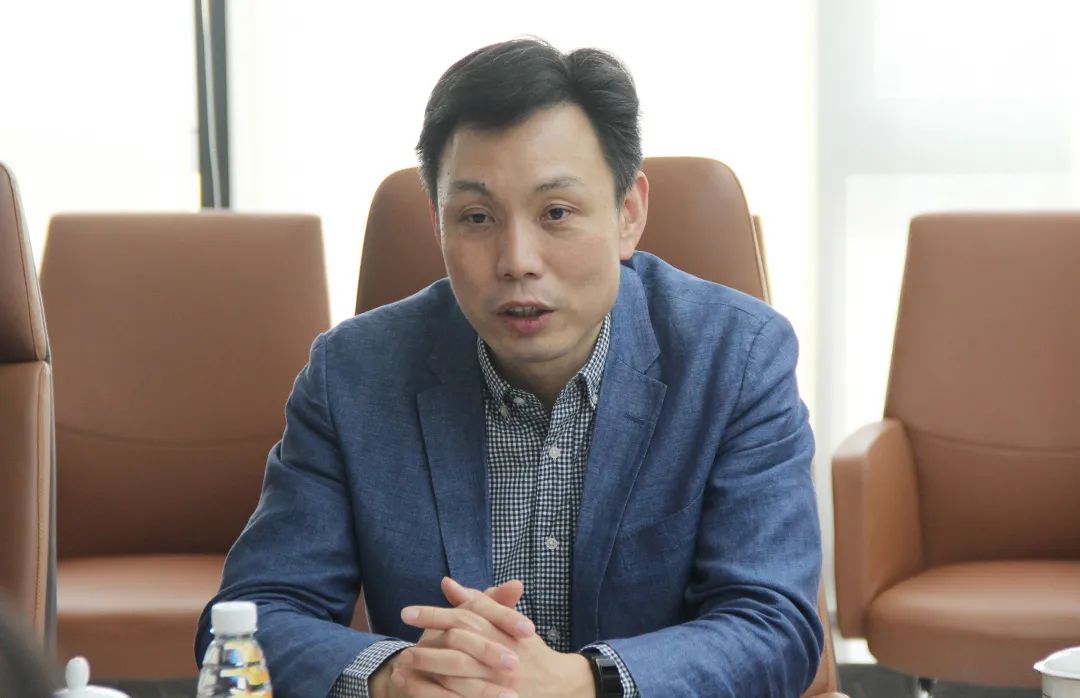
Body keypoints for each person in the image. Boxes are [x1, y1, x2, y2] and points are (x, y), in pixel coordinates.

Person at [196, 38, 822, 698]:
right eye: (477, 217)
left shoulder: (737, 358)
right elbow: (248, 620)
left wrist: (580, 682)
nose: (517, 259)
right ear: (438, 224)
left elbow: (773, 627)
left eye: (557, 213)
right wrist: (395, 674)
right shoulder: (353, 374)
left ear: (628, 214)